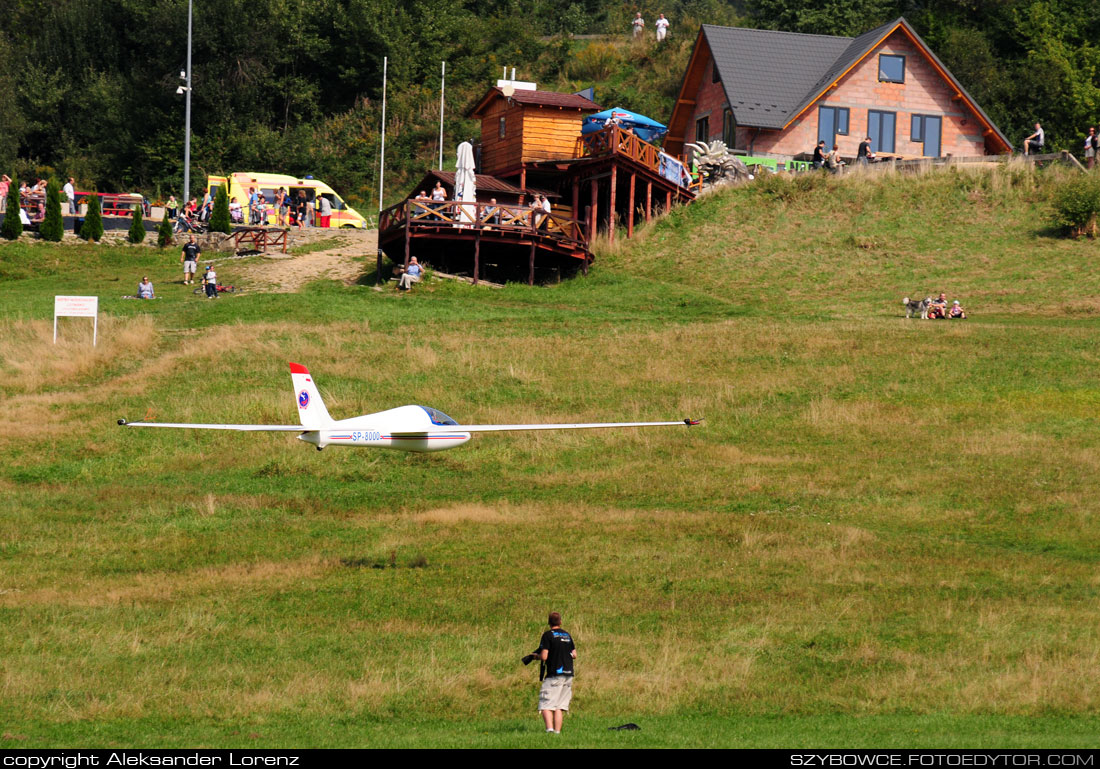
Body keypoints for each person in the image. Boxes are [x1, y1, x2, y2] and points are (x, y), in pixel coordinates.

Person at [530, 611, 576, 734]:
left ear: (549, 623)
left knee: (546, 704)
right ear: (560, 621)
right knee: (559, 706)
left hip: (554, 674)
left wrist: (535, 656)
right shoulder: (567, 635)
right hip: (568, 674)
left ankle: (549, 730)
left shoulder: (548, 635)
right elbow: (574, 654)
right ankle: (557, 732)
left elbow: (544, 656)